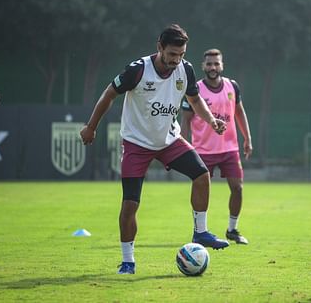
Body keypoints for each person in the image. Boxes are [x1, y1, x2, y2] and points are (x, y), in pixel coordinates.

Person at [80, 24, 230, 275]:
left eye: (181, 54)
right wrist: (91, 127)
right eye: (172, 54)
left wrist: (211, 120)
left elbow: (194, 99)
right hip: (137, 144)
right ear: (159, 47)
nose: (176, 60)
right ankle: (128, 261)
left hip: (169, 141)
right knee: (130, 205)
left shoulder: (186, 69)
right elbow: (108, 94)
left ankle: (201, 232)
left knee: (202, 174)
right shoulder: (138, 70)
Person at [181, 48, 253, 245]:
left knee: (237, 188)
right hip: (203, 151)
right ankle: (200, 230)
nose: (213, 67)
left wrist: (247, 138)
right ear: (203, 66)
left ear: (222, 65)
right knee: (201, 191)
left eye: (216, 63)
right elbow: (185, 120)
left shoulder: (232, 86)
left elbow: (239, 112)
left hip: (230, 149)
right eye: (209, 64)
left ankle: (232, 229)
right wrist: (184, 145)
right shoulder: (195, 89)